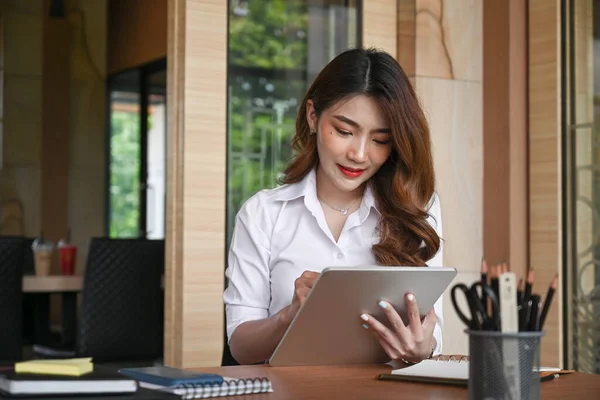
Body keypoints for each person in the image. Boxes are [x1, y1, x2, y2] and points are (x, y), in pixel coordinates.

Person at [223, 47, 444, 366]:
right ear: (313, 116)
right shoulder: (263, 214)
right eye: (344, 131)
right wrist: (290, 316)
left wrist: (421, 349)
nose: (359, 153)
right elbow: (241, 348)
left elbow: (436, 337)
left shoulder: (418, 209)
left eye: (380, 140)